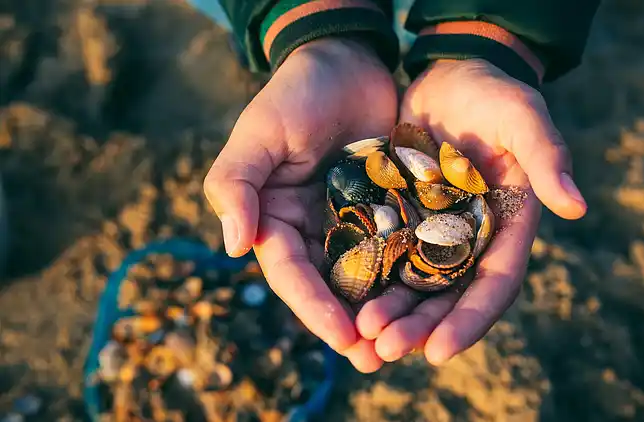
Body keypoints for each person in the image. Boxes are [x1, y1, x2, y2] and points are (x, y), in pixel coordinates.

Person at [203, 0, 600, 373]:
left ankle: (458, 40)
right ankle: (285, 43)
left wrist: (491, 41)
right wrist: (306, 21)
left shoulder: (428, 202)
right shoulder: (394, 208)